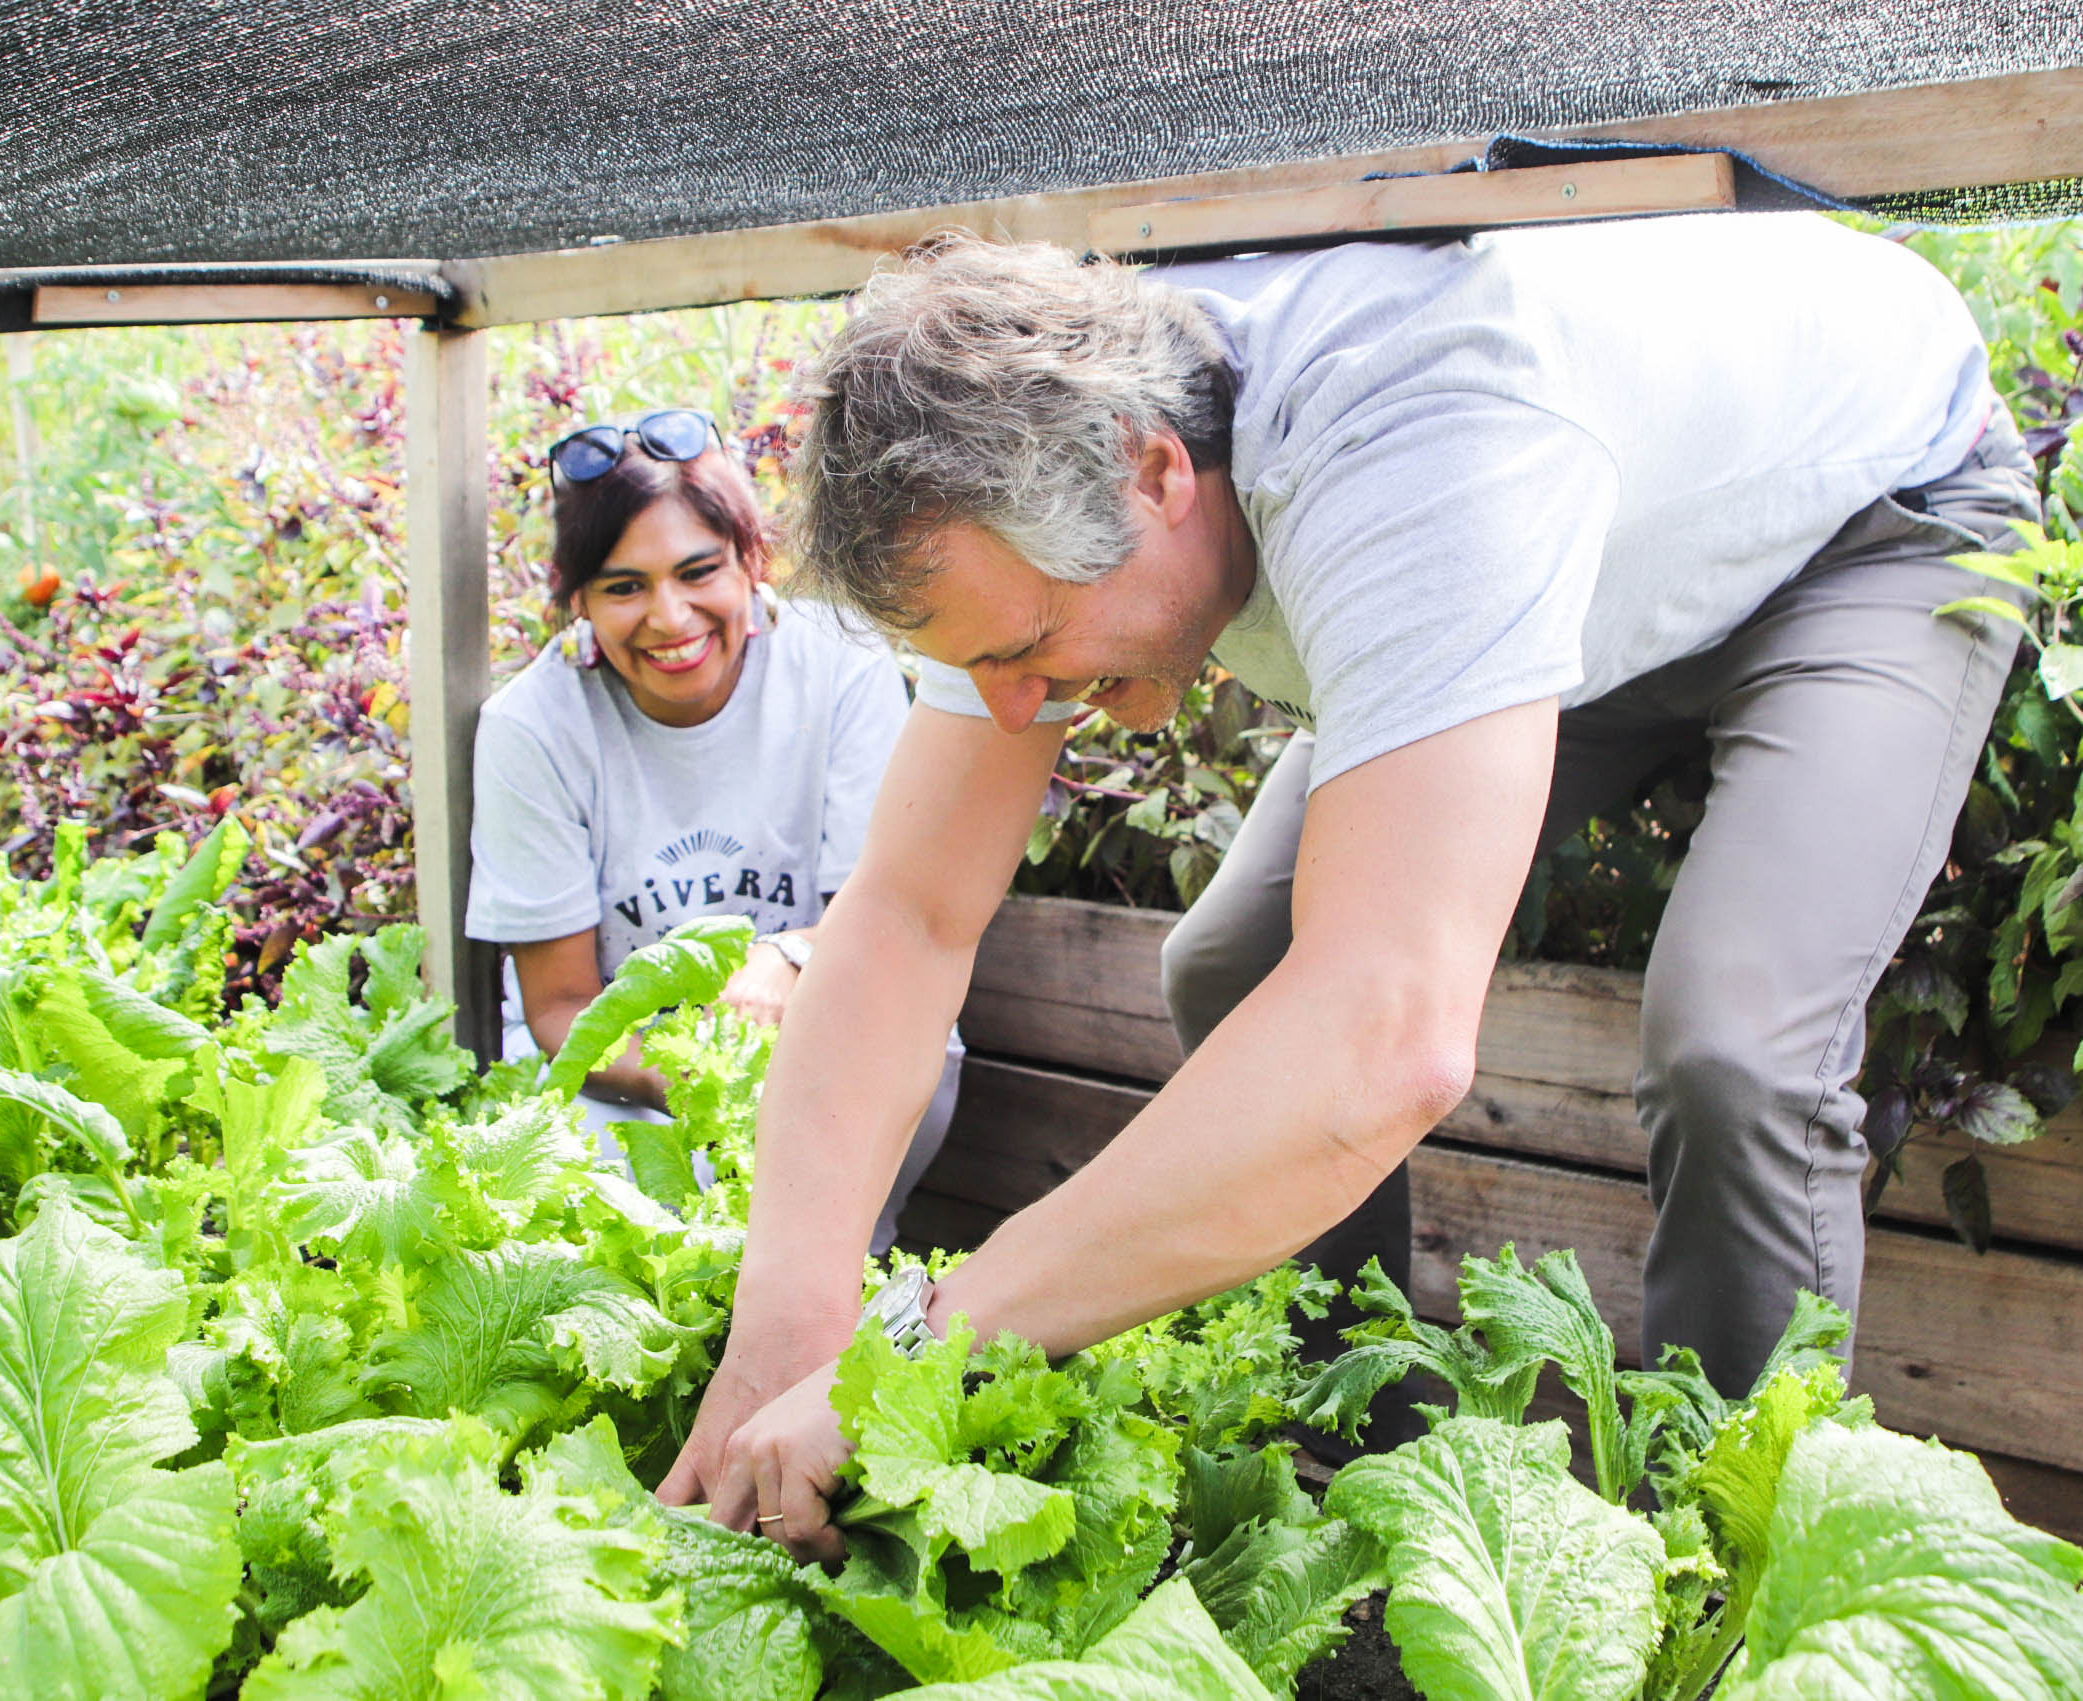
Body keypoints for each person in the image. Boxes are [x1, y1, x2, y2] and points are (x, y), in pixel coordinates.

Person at [657, 213, 2037, 1558]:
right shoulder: (1012, 516)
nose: (1015, 710)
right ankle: (1373, 1482)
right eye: (982, 668)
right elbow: (903, 914)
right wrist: (783, 1318)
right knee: (1230, 965)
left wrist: (915, 1348)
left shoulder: (1409, 438)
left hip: (1862, 528)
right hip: (1581, 564)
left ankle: (1732, 1580)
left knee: (1735, 1041)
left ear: (1154, 474)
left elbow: (1383, 1043)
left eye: (1030, 647)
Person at [465, 406, 962, 1253]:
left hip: (829, 1033)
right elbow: (558, 1008)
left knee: (891, 1075)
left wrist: (785, 956)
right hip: (616, 1074)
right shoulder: (532, 727)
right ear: (577, 599)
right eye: (623, 586)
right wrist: (701, 1078)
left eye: (699, 570)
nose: (669, 617)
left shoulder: (840, 671)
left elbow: (887, 922)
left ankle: (845, 1291)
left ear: (749, 562)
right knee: (660, 1241)